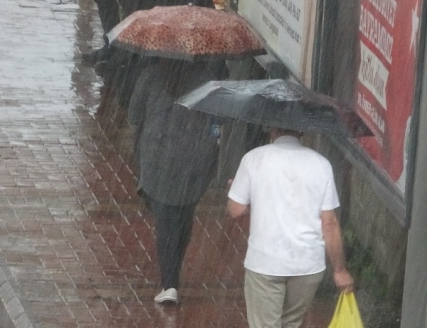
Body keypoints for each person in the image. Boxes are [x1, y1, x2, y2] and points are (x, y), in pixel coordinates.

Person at [227, 127, 354, 328]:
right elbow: (329, 223)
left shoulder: (253, 159)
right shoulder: (321, 164)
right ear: (301, 131)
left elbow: (235, 209)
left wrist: (250, 193)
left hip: (265, 262)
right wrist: (339, 270)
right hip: (306, 265)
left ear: (270, 129)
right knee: (291, 324)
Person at [128, 61, 222, 304]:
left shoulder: (151, 73)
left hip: (157, 159)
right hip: (194, 161)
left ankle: (170, 283)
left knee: (166, 220)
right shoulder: (207, 79)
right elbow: (219, 118)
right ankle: (172, 277)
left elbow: (134, 114)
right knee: (181, 215)